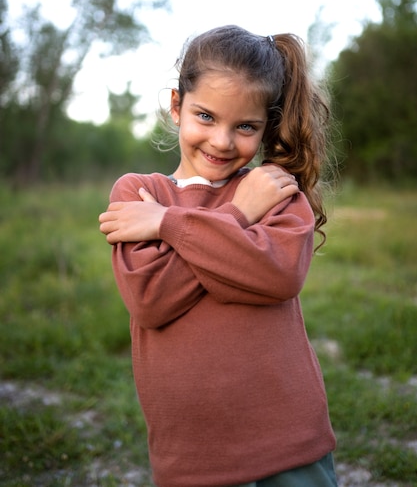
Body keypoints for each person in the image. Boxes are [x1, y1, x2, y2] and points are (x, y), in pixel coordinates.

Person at [99, 25, 338, 487]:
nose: (223, 141)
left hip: (289, 438)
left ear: (265, 127)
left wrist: (168, 225)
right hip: (194, 450)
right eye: (205, 116)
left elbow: (278, 273)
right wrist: (238, 220)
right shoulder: (140, 193)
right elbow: (152, 300)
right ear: (176, 106)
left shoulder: (272, 190)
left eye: (245, 126)